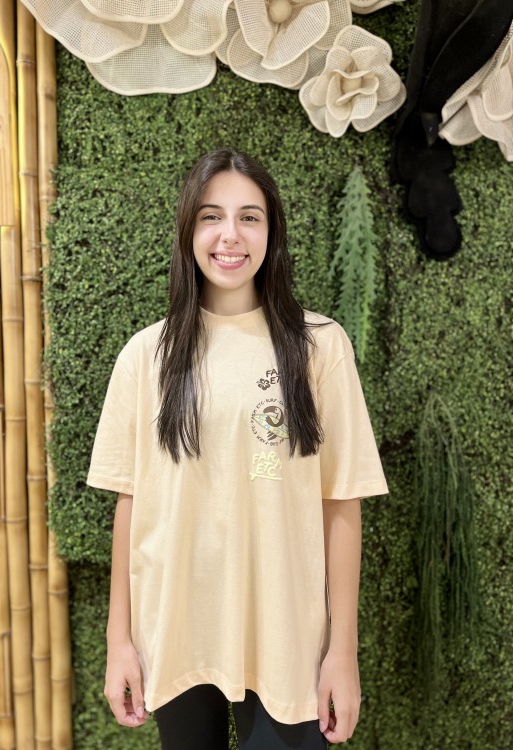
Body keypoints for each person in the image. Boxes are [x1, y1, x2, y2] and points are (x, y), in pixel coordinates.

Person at [87, 149, 388, 750]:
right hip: (175, 634)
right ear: (188, 231)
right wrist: (119, 642)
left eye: (249, 217)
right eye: (211, 216)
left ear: (271, 233)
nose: (230, 235)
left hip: (286, 640)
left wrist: (343, 652)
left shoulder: (320, 347)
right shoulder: (145, 356)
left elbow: (341, 504)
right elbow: (130, 505)